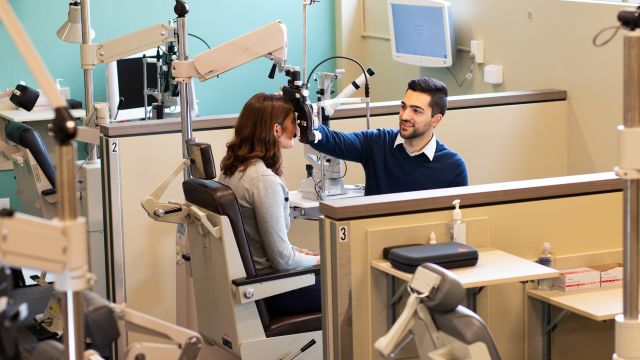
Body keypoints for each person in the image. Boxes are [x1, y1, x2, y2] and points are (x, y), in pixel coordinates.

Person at [218, 92, 320, 317]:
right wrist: (322, 259)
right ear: (276, 130)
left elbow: (258, 241)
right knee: (348, 281)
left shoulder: (231, 171)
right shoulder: (264, 182)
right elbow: (282, 260)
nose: (297, 128)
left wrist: (298, 251)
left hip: (257, 283)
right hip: (275, 291)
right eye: (293, 121)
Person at [310, 76, 468, 196]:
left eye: (416, 111)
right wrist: (309, 123)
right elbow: (335, 141)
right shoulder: (377, 143)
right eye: (403, 107)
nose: (405, 116)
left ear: (436, 120)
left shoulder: (453, 166)